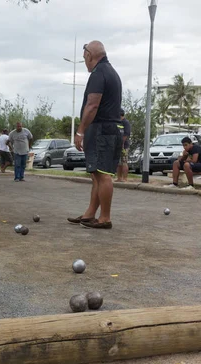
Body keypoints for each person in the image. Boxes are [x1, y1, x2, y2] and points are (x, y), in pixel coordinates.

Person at [67, 41, 123, 229]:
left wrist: (80, 131)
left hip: (101, 129)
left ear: (90, 55)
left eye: (84, 59)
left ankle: (105, 217)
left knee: (103, 174)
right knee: (97, 174)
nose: (85, 62)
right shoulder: (111, 72)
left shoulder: (99, 73)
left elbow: (92, 105)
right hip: (107, 129)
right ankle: (90, 214)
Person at [115, 109, 131, 182]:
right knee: (119, 163)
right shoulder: (118, 122)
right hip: (117, 145)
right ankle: (119, 178)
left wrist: (122, 143)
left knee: (124, 161)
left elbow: (126, 134)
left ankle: (125, 178)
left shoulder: (125, 122)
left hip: (124, 145)